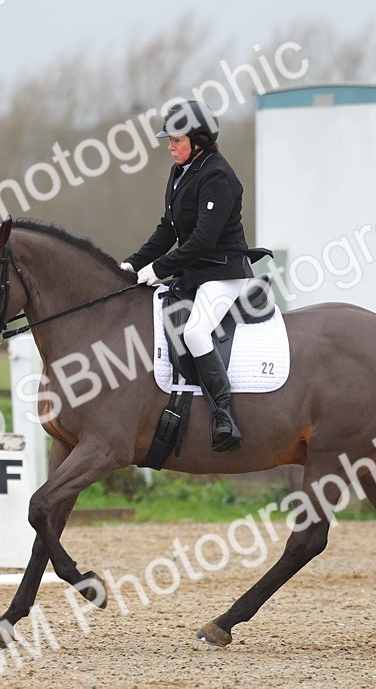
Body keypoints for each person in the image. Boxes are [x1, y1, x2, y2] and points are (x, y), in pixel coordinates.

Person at [120, 100, 264, 452]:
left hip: (222, 273)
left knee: (197, 331)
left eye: (177, 141)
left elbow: (202, 241)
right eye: (169, 141)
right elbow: (168, 229)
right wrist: (132, 264)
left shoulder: (218, 176)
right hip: (195, 273)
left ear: (199, 140)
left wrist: (157, 270)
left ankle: (223, 415)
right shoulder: (182, 171)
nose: (170, 147)